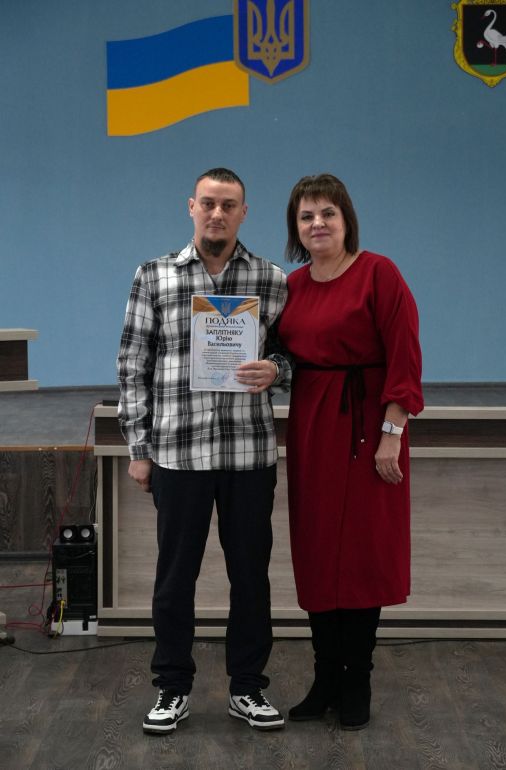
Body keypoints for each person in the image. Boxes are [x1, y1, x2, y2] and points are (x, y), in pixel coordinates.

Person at [117, 168, 290, 733]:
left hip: (248, 455)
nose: (218, 213)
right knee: (174, 580)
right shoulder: (154, 275)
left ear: (244, 212)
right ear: (191, 206)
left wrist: (277, 370)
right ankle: (172, 687)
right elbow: (133, 365)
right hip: (178, 454)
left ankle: (247, 687)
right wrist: (138, 447)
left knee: (251, 579)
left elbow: (293, 358)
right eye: (209, 203)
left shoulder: (271, 279)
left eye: (229, 205)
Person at [277, 173, 423, 730]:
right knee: (317, 549)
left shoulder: (379, 273)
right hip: (312, 425)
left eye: (327, 214)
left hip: (368, 425)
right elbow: (276, 356)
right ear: (296, 227)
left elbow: (405, 355)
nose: (317, 224)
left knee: (361, 553)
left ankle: (356, 678)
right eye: (306, 216)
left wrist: (393, 432)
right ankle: (326, 679)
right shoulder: (292, 286)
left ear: (346, 220)